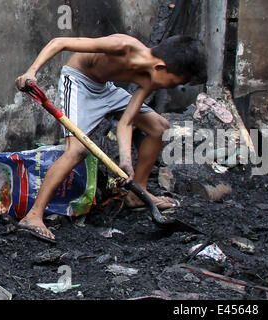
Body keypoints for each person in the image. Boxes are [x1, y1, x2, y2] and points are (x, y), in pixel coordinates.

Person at [15, 34, 207, 243]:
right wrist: (31, 71)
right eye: (173, 83)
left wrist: (126, 161)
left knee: (159, 126)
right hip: (79, 82)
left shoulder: (150, 76)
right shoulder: (123, 45)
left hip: (105, 89)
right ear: (160, 67)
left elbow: (126, 121)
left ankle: (137, 193)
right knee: (77, 150)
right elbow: (59, 43)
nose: (169, 89)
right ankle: (33, 215)